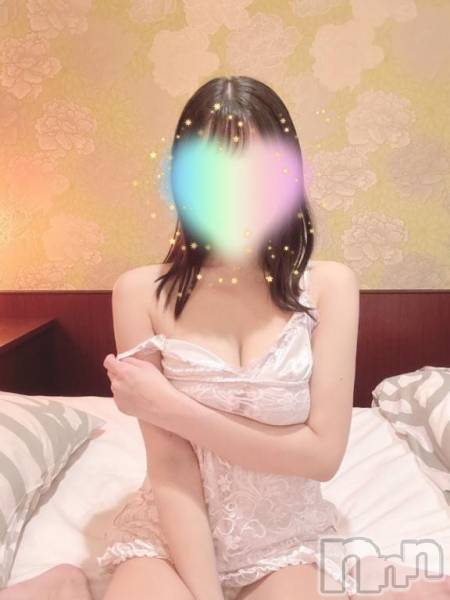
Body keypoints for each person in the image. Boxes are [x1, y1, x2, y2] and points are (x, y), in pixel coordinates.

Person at [99, 75, 359, 600]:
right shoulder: (138, 293)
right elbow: (171, 464)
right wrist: (206, 593)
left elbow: (322, 456)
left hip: (283, 536)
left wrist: (172, 408)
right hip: (172, 535)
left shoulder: (330, 287)